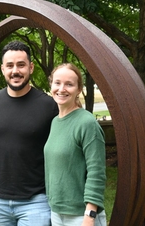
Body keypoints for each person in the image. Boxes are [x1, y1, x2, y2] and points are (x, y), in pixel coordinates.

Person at [0, 40, 59, 226]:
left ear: (31, 67)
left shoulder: (48, 106)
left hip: (35, 199)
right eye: (10, 65)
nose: (15, 71)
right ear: (2, 69)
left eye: (21, 65)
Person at [44, 63, 107, 226]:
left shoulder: (87, 123)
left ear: (79, 89)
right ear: (51, 84)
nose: (62, 89)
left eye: (69, 84)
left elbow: (96, 171)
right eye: (57, 83)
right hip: (58, 213)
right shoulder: (55, 122)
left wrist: (90, 215)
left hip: (81, 216)